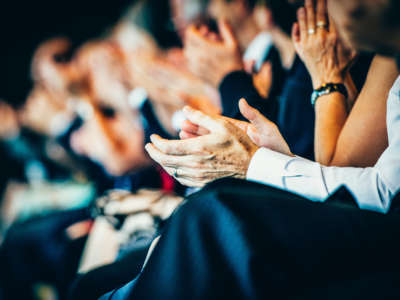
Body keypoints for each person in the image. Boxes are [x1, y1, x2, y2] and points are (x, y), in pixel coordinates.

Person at [101, 0, 400, 298]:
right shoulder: (300, 56)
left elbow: (353, 183)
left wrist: (255, 157)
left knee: (209, 213)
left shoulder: (370, 54)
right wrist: (274, 156)